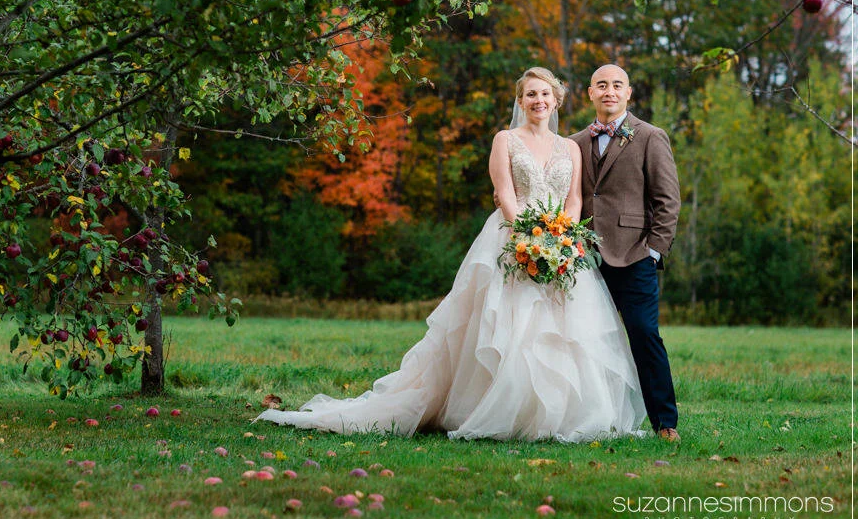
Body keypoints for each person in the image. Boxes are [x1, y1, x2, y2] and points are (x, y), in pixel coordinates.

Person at [256, 67, 645, 442]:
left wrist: (564, 241)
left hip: (561, 245)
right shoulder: (504, 140)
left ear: (557, 99)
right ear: (521, 101)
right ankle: (494, 409)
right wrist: (527, 237)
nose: (538, 100)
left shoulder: (570, 148)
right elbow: (505, 193)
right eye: (531, 94)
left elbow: (574, 198)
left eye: (545, 94)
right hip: (513, 238)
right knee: (506, 325)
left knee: (562, 333)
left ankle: (556, 416)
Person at [567, 64, 682, 443]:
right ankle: (585, 419)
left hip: (635, 256)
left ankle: (665, 423)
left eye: (617, 85)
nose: (609, 91)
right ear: (590, 93)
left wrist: (654, 251)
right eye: (602, 85)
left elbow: (667, 200)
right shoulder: (574, 143)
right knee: (582, 340)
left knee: (645, 335)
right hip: (584, 259)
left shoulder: (651, 137)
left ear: (628, 93)